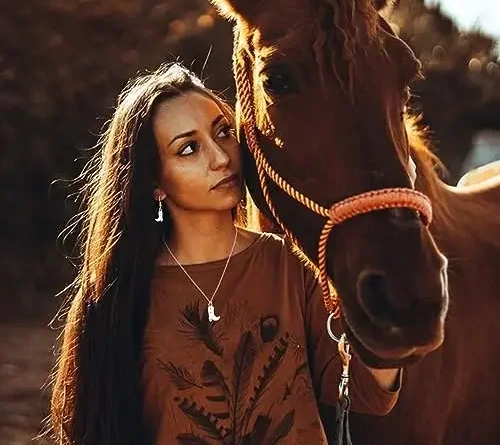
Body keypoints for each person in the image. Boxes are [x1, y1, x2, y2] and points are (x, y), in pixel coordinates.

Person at [50, 63, 401, 444]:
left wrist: (389, 302)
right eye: (189, 149)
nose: (220, 157)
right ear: (154, 182)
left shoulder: (292, 262)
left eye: (223, 132)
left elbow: (369, 393)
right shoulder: (118, 293)